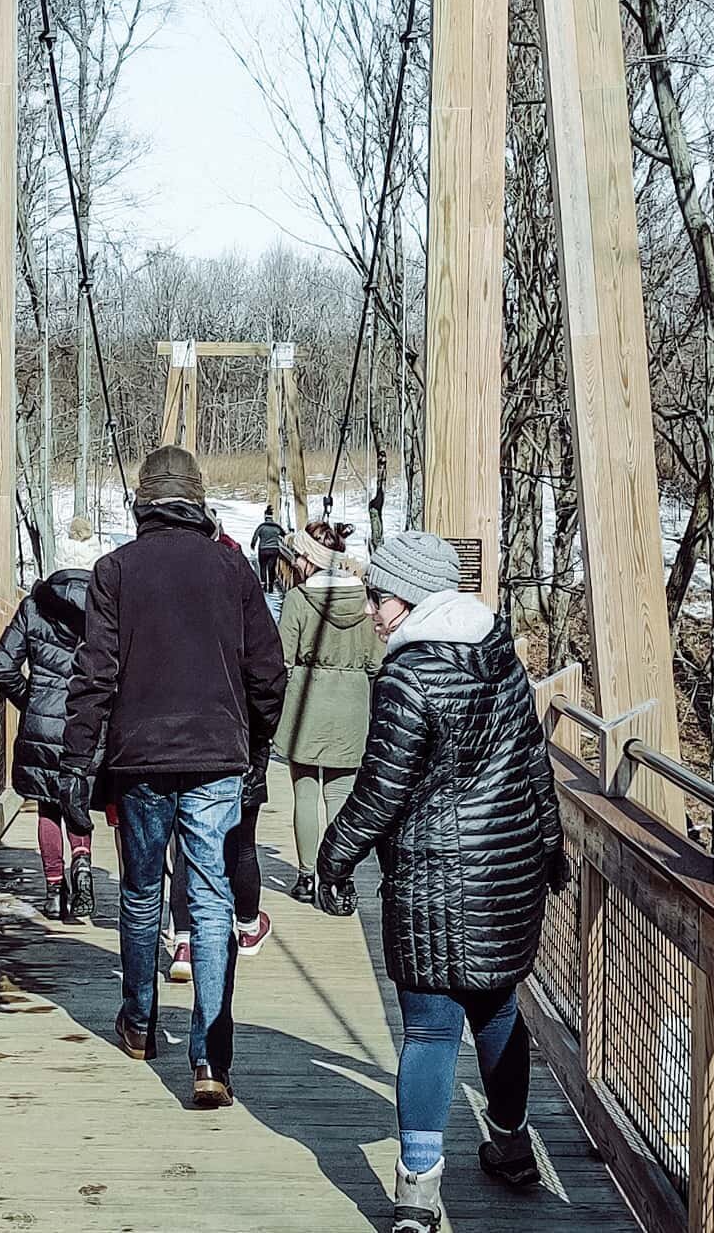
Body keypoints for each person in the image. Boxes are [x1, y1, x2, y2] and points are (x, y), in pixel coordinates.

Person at [317, 530, 568, 1233]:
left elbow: (380, 789)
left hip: (431, 880)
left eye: (378, 597)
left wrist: (334, 857)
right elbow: (534, 765)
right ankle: (513, 1148)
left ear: (413, 597)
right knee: (496, 1012)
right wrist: (549, 844)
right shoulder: (501, 655)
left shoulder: (407, 674)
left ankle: (417, 1198)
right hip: (505, 874)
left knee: (429, 1032)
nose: (371, 611)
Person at [60, 444, 286, 1109]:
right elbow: (268, 673)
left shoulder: (115, 571)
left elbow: (94, 673)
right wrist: (257, 742)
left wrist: (77, 759)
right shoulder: (233, 569)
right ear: (198, 500)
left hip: (139, 759)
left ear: (143, 502)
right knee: (213, 898)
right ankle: (211, 1057)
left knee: (139, 892)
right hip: (217, 757)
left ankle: (137, 1021)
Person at [274, 521, 377, 911]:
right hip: (351, 704)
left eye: (299, 554)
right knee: (340, 794)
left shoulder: (299, 600)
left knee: (305, 792)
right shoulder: (365, 600)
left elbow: (282, 657)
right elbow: (375, 660)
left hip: (306, 702)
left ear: (308, 559)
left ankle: (305, 877)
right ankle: (337, 876)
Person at [0, 568, 97, 921]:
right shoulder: (104, 609)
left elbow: (3, 667)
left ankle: (53, 892)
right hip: (87, 725)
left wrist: (32, 703)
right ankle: (81, 859)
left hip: (41, 726)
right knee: (76, 796)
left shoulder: (34, 607)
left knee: (48, 807)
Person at [166, 736, 273, 978]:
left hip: (184, 752)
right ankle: (248, 928)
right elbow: (266, 701)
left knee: (186, 849)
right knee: (243, 846)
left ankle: (184, 943)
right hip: (238, 748)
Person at [250, 504, 285, 590]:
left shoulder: (261, 527)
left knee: (263, 566)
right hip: (274, 549)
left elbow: (255, 536)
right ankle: (271, 586)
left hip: (263, 549)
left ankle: (264, 585)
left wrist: (252, 545)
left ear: (265, 516)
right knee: (271, 567)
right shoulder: (276, 527)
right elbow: (284, 534)